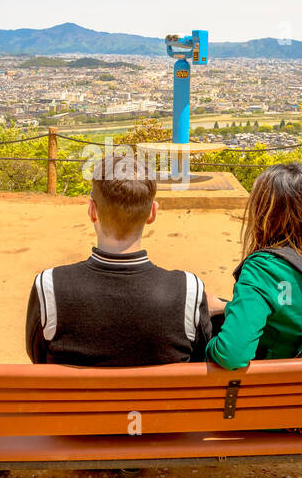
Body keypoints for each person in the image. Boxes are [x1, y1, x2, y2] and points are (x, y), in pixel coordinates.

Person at [25, 153, 213, 366]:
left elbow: (38, 357)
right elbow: (198, 358)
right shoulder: (188, 291)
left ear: (92, 211)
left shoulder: (49, 286)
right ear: (152, 212)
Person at [205, 163, 302, 371]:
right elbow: (300, 309)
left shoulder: (262, 270)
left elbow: (231, 355)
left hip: (275, 391)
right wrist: (227, 307)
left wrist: (206, 345)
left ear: (263, 214)